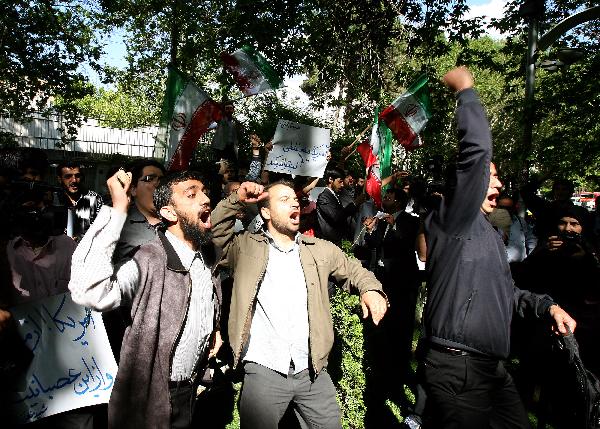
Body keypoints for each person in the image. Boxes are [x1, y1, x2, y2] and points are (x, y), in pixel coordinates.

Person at [419, 66, 576, 429]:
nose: (499, 183)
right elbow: (476, 149)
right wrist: (465, 91)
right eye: (491, 176)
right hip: (457, 367)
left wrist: (546, 307)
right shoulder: (455, 217)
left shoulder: (489, 234)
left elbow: (507, 293)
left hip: (490, 369)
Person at [211, 180, 388, 429]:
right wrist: (237, 198)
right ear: (266, 212)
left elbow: (353, 270)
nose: (294, 202)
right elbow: (217, 230)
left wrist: (370, 289)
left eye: (294, 199)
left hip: (312, 371)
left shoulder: (320, 249)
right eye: (284, 200)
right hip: (264, 368)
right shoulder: (246, 246)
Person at [69, 169, 222, 429]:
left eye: (204, 192)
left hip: (192, 389)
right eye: (192, 194)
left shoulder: (207, 258)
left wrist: (213, 327)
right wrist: (117, 209)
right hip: (153, 398)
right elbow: (90, 291)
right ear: (169, 213)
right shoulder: (148, 259)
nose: (205, 199)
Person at [316, 165, 365, 246]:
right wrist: (355, 203)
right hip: (329, 243)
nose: (342, 185)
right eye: (340, 181)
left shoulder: (335, 195)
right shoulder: (324, 197)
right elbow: (337, 216)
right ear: (331, 179)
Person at [56, 161, 103, 241]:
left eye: (77, 176)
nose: (74, 180)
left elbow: (102, 231)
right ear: (60, 179)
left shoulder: (94, 199)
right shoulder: (54, 198)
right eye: (68, 176)